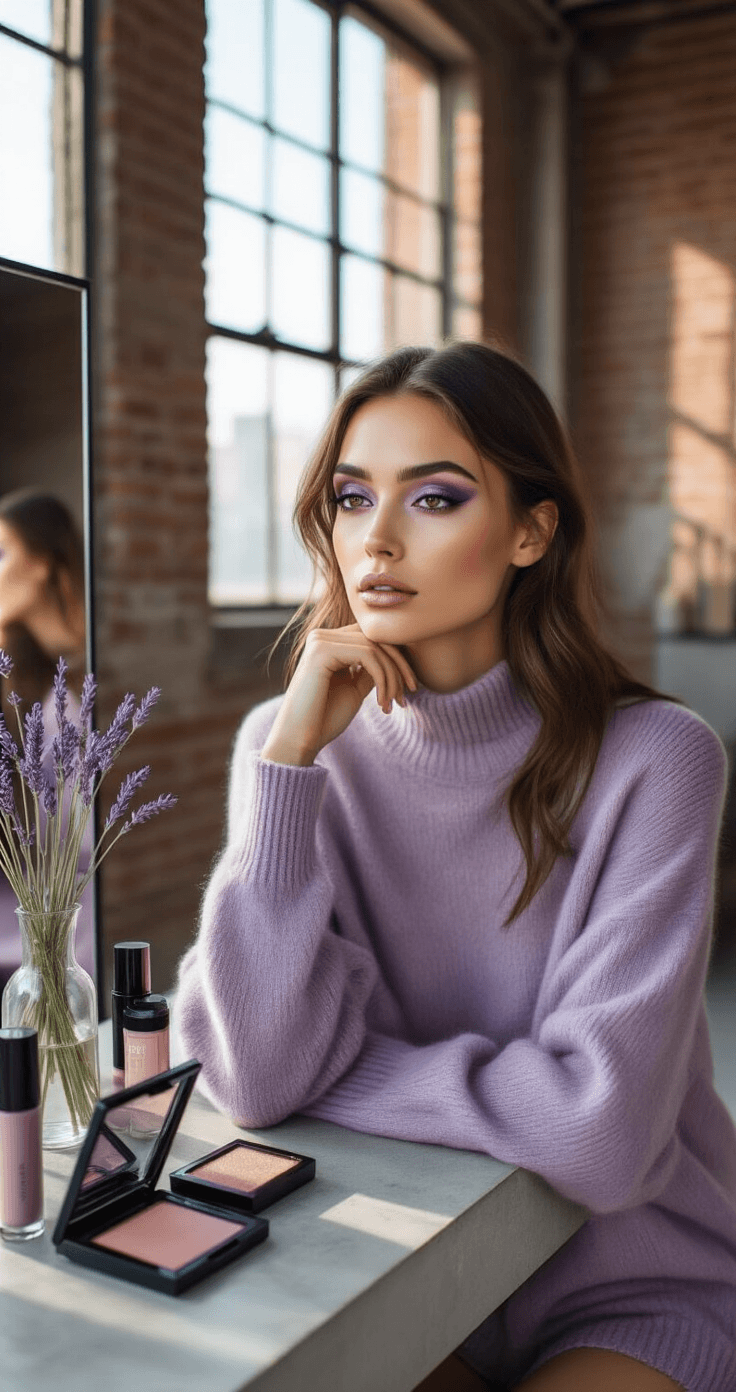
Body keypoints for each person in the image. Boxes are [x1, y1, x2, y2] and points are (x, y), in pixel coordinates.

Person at [174, 341, 736, 1391]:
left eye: (433, 498)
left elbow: (599, 1133)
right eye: (349, 498)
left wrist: (341, 1069)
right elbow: (254, 1074)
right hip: (392, 1261)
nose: (375, 540)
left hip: (633, 1277)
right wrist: (287, 759)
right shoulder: (289, 747)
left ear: (530, 530)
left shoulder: (657, 759)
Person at [0, 488, 94, 988]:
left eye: (1, 553)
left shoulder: (90, 679)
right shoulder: (14, 681)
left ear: (40, 563)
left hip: (71, 952)